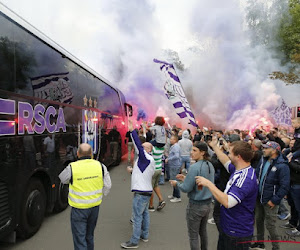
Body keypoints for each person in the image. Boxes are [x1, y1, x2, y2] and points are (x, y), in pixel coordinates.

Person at [196, 138, 258, 250]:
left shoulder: (245, 179)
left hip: (237, 232)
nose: (227, 154)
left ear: (238, 157)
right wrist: (214, 147)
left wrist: (209, 184)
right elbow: (225, 161)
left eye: (230, 152)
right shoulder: (240, 169)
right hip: (230, 227)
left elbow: (228, 202)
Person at [59, 143, 109, 250]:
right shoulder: (100, 166)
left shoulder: (72, 167)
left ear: (78, 154)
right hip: (94, 207)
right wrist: (100, 195)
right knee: (89, 236)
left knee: (80, 239)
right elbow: (108, 185)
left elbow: (63, 179)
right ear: (91, 154)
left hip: (79, 209)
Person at [170, 141, 215, 250]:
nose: (191, 153)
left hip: (196, 205)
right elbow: (200, 182)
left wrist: (177, 184)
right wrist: (186, 179)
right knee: (203, 232)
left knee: (193, 236)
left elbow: (186, 188)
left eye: (194, 150)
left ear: (203, 152)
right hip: (207, 204)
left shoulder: (195, 167)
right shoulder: (210, 165)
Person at [121, 120, 155, 249]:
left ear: (147, 149)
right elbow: (141, 173)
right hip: (146, 191)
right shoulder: (149, 160)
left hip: (141, 193)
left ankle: (134, 241)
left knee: (137, 217)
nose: (140, 147)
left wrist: (132, 131)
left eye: (143, 146)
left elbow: (139, 147)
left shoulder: (144, 158)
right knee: (145, 214)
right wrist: (132, 171)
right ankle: (144, 235)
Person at [250, 141, 290, 250]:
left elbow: (285, 186)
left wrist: (274, 200)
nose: (263, 150)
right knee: (258, 220)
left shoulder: (282, 166)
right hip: (259, 197)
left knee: (271, 226)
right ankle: (260, 243)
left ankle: (276, 247)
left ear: (273, 150)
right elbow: (257, 174)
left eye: (266, 148)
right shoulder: (263, 160)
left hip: (270, 201)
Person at [166, 134, 182, 202]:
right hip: (174, 165)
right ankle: (174, 195)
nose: (170, 140)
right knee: (173, 180)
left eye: (172, 139)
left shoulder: (175, 147)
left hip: (174, 165)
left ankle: (178, 197)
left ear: (175, 140)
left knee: (175, 181)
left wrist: (168, 159)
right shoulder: (174, 146)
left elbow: (176, 156)